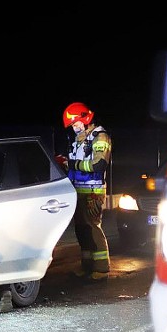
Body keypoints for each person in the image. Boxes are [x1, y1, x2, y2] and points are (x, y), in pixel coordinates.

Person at [62, 102, 112, 281]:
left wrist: (73, 164)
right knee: (81, 229)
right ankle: (87, 266)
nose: (74, 128)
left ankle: (102, 268)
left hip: (93, 191)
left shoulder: (100, 137)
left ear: (85, 119)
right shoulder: (79, 139)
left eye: (76, 124)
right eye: (73, 126)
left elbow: (99, 164)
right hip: (77, 190)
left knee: (92, 228)